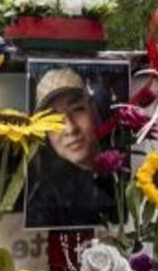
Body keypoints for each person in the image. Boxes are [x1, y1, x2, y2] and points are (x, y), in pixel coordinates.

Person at [26, 67, 119, 234]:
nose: (70, 128)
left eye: (77, 110)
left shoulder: (126, 170)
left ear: (95, 111)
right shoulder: (46, 199)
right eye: (54, 119)